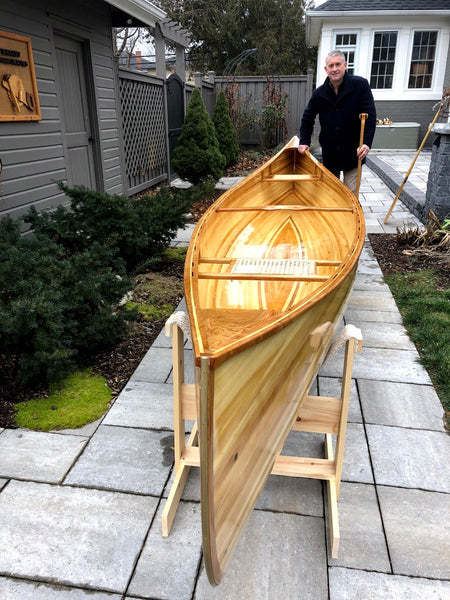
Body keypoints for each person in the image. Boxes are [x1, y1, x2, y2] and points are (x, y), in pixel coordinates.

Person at [298, 50, 376, 194]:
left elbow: (370, 115)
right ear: (326, 69)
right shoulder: (319, 93)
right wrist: (304, 141)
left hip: (353, 152)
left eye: (338, 64)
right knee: (332, 195)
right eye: (331, 65)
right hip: (330, 153)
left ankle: (352, 217)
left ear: (345, 65)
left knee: (350, 195)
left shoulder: (360, 86)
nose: (334, 69)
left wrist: (366, 142)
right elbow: (307, 118)